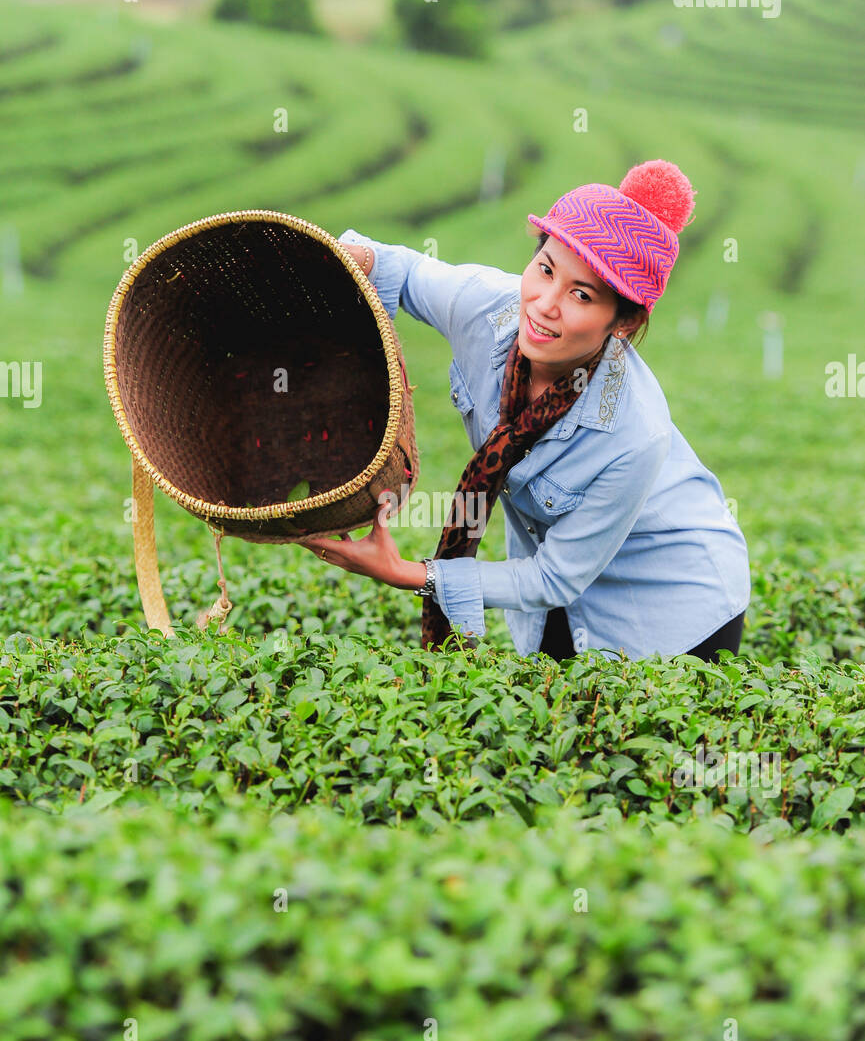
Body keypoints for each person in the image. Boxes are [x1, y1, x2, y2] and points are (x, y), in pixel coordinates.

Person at [294, 160, 750, 665]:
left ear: (622, 322)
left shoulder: (634, 433)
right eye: (546, 269)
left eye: (581, 295)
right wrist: (333, 258)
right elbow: (396, 269)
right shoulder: (488, 307)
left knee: (608, 736)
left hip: (674, 605)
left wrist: (405, 572)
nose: (544, 304)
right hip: (560, 593)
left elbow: (553, 577)